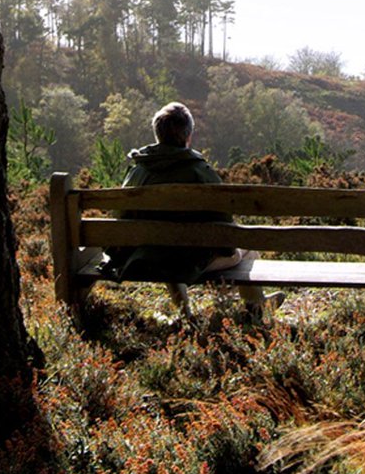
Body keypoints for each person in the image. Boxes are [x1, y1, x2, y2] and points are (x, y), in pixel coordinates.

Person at [103, 101, 280, 320]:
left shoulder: (138, 171)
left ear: (157, 134)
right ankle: (257, 306)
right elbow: (225, 227)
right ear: (188, 136)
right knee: (248, 249)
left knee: (165, 243)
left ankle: (184, 312)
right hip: (188, 264)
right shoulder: (200, 172)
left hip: (144, 258)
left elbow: (120, 220)